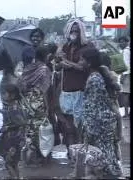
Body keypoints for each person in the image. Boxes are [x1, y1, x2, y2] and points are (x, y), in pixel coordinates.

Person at [55, 19, 94, 159]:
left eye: (76, 31)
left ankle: (81, 153)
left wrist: (67, 63)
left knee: (81, 127)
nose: (74, 33)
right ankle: (71, 153)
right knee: (67, 126)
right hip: (66, 91)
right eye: (72, 31)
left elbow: (82, 67)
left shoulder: (87, 47)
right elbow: (57, 66)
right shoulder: (65, 46)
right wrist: (59, 62)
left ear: (81, 31)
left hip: (81, 91)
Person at [81, 48, 123, 178]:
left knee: (102, 155)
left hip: (99, 124)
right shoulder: (99, 76)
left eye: (82, 59)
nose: (80, 62)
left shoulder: (94, 79)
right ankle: (113, 174)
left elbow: (94, 106)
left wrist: (88, 127)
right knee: (107, 153)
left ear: (89, 62)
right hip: (105, 122)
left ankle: (112, 175)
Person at [18, 46, 52, 165]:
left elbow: (21, 87)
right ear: (45, 56)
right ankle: (43, 157)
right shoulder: (44, 69)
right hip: (38, 102)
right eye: (49, 55)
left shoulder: (27, 69)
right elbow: (44, 90)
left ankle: (29, 157)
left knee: (29, 129)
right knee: (42, 130)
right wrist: (48, 107)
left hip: (26, 103)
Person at [0, 81, 27, 178]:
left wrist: (7, 127)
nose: (2, 95)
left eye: (4, 93)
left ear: (12, 95)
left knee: (8, 163)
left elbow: (22, 122)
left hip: (13, 138)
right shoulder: (17, 104)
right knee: (14, 163)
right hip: (18, 137)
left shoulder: (14, 107)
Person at [118, 36, 130, 118]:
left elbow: (126, 65)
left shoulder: (125, 51)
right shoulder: (129, 50)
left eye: (122, 42)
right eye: (120, 42)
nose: (120, 43)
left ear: (127, 42)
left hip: (126, 74)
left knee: (125, 94)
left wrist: (122, 76)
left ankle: (126, 113)